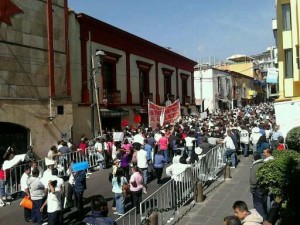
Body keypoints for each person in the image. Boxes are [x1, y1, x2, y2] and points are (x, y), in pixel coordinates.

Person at [250, 152, 266, 220]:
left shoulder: (255, 166)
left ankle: (259, 218)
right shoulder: (264, 164)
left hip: (258, 188)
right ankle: (265, 216)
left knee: (257, 203)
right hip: (264, 186)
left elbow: (253, 180)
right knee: (264, 203)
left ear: (254, 158)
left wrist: (252, 188)